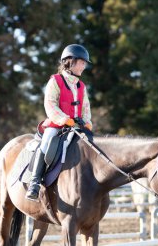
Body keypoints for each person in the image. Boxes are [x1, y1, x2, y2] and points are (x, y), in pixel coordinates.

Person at [26, 44, 93, 201]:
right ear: (70, 61)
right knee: (46, 143)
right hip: (57, 125)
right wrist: (64, 119)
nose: (84, 66)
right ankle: (34, 183)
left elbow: (86, 108)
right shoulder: (55, 81)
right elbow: (50, 104)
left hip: (77, 127)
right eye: (82, 62)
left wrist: (88, 122)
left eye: (85, 63)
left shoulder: (81, 86)